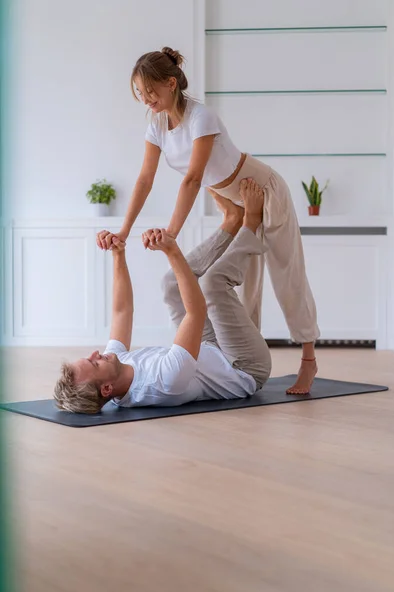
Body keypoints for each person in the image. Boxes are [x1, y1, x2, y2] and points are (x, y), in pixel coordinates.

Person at [96, 47, 320, 395]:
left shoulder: (202, 118)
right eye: (140, 93)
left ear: (171, 84)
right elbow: (144, 180)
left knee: (286, 274)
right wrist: (123, 231)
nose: (146, 100)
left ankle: (308, 361)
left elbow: (193, 179)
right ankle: (243, 362)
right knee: (243, 287)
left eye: (150, 92)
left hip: (261, 189)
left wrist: (170, 234)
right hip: (231, 198)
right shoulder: (157, 125)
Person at [54, 180, 271, 414]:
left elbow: (121, 310)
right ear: (107, 389)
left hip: (208, 348)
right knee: (212, 284)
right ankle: (251, 223)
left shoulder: (114, 367)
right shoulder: (163, 381)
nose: (96, 354)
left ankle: (231, 221)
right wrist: (171, 250)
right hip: (240, 365)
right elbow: (196, 313)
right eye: (94, 363)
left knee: (170, 284)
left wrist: (118, 254)